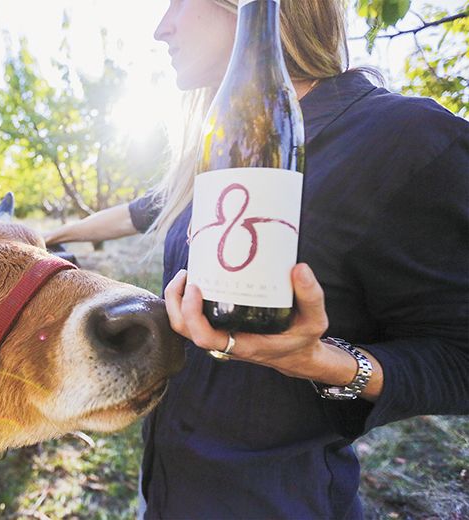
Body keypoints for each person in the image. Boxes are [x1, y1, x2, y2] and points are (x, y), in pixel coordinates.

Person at [45, 0, 469, 518]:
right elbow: (136, 212)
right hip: (163, 487)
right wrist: (47, 235)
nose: (162, 28)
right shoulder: (216, 150)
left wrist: (329, 364)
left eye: (179, 1)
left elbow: (460, 357)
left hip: (274, 503)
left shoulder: (402, 138)